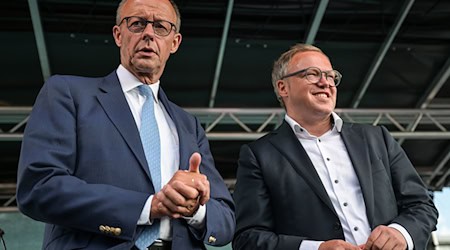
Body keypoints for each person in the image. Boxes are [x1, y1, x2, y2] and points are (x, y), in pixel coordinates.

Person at [16, 0, 235, 249]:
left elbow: (225, 219)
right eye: (138, 23)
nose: (149, 34)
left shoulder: (189, 125)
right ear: (118, 34)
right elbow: (39, 186)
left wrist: (195, 209)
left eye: (161, 26)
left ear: (174, 43)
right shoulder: (67, 93)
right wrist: (147, 207)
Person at [232, 43, 438, 250]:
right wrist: (316, 248)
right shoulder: (259, 155)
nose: (325, 82)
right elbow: (249, 239)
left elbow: (421, 205)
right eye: (312, 74)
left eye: (330, 76)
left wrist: (401, 233)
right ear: (283, 87)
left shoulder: (377, 138)